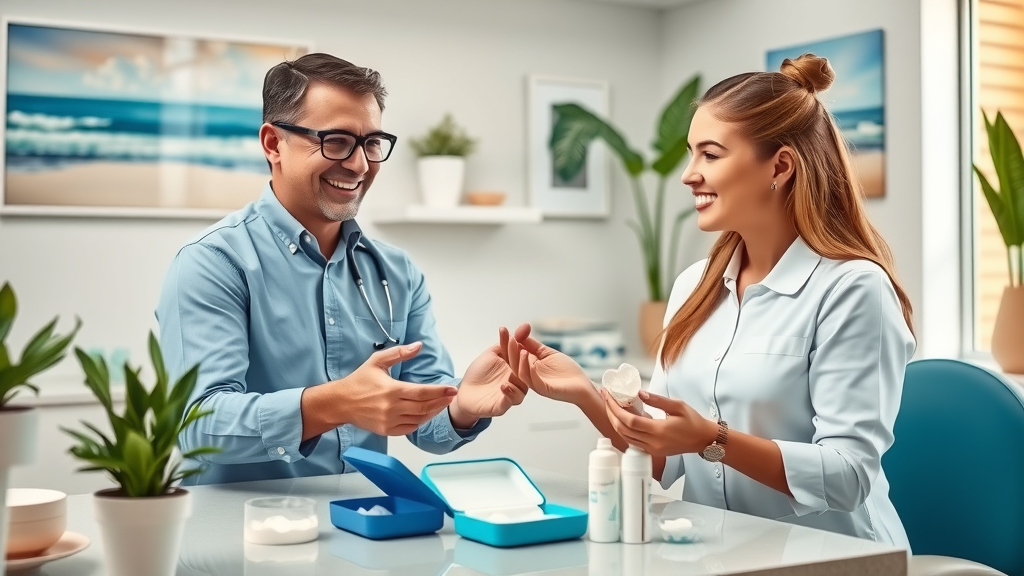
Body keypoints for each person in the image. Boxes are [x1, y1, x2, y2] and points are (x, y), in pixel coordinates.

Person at [503, 54, 916, 549]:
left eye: (711, 154)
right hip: (723, 553)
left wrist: (711, 439)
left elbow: (848, 477)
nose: (688, 174)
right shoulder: (694, 286)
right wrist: (586, 394)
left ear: (780, 166)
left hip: (834, 556)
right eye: (690, 153)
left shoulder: (852, 289)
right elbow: (661, 461)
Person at [157, 53, 527, 485]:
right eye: (336, 141)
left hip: (361, 527)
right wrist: (337, 403)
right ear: (274, 144)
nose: (360, 164)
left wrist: (462, 404)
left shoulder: (397, 271)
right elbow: (200, 425)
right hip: (240, 537)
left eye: (372, 143)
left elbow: (426, 426)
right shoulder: (213, 262)